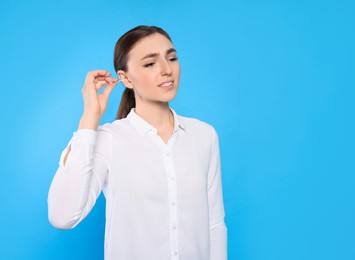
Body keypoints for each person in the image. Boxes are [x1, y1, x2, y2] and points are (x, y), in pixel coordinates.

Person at [47, 25, 227, 260]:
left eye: (171, 58)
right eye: (150, 63)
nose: (166, 70)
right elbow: (62, 216)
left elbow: (214, 224)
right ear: (125, 78)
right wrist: (89, 119)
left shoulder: (204, 135)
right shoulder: (109, 140)